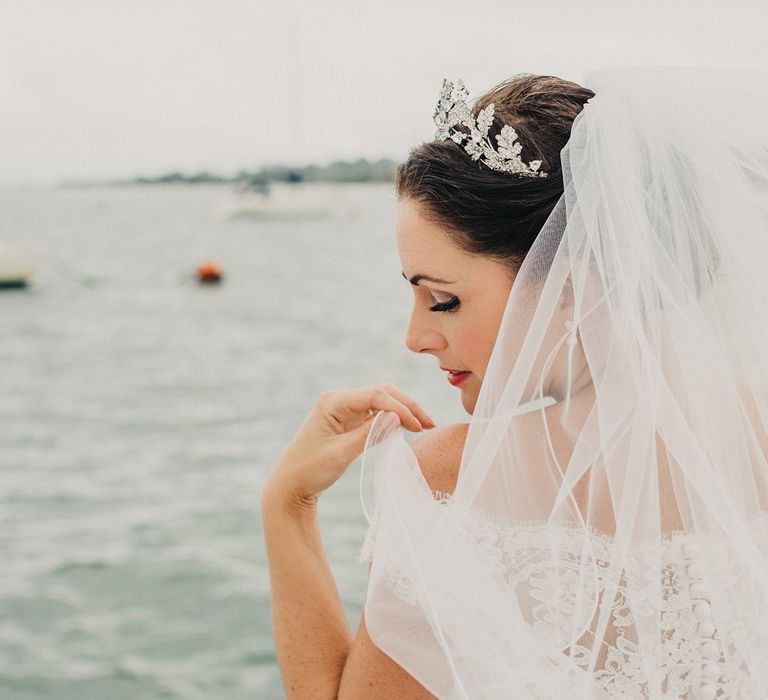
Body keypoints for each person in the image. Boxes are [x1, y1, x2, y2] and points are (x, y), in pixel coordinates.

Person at [262, 67, 768, 698]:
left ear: (570, 294)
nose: (415, 338)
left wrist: (288, 505)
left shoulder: (452, 481)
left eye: (442, 300)